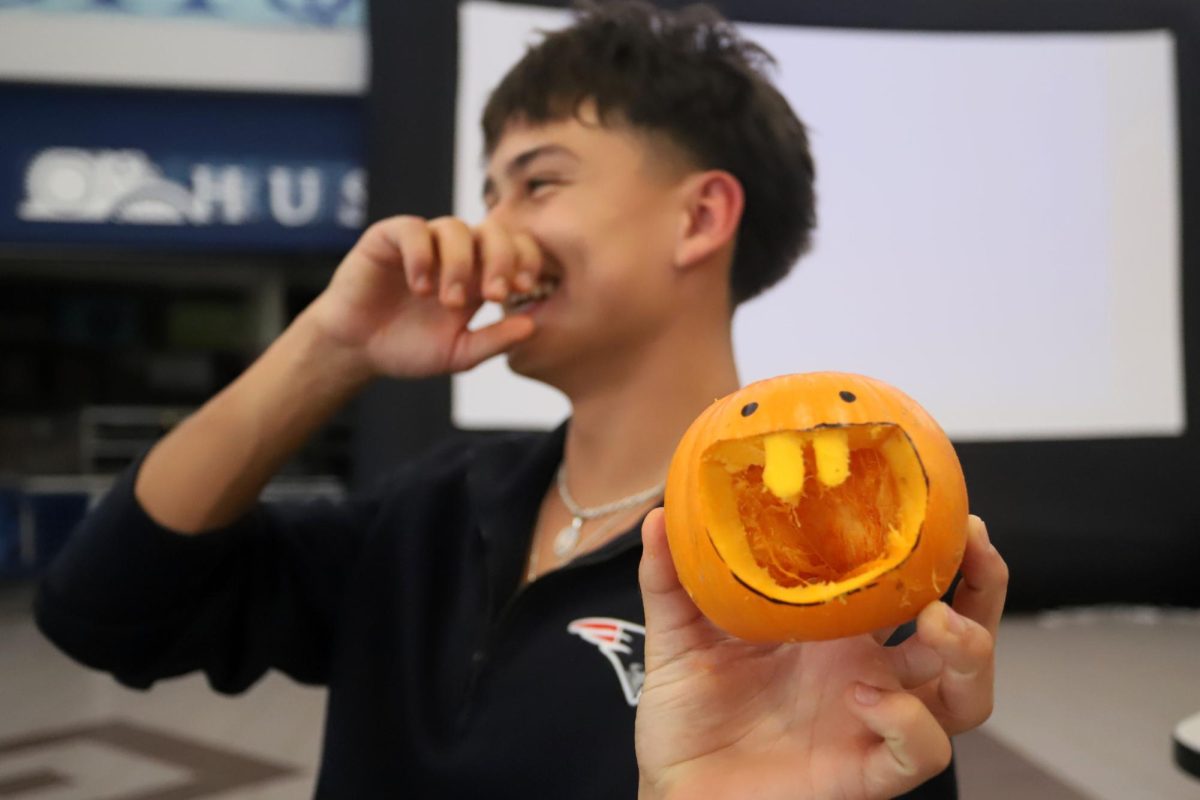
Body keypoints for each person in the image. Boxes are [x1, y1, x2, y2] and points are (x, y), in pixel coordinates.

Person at [35, 2, 1008, 798]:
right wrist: (330, 347)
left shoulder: (826, 585)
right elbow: (102, 607)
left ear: (700, 216)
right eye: (489, 193)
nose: (491, 232)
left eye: (538, 183)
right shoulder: (434, 509)